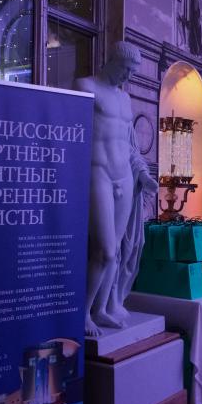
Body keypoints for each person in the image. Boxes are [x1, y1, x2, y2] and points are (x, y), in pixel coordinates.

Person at [73, 42, 159, 337]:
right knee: (105, 250)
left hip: (125, 177)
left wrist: (143, 175)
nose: (128, 77)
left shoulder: (125, 99)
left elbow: (128, 143)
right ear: (111, 60)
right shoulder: (85, 86)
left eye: (132, 72)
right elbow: (71, 133)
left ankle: (101, 309)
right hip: (97, 173)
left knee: (119, 249)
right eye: (125, 69)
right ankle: (82, 313)